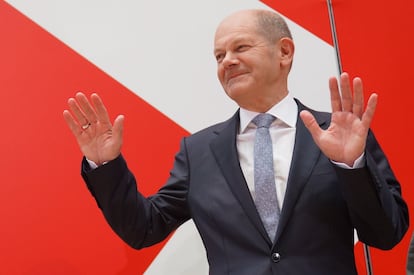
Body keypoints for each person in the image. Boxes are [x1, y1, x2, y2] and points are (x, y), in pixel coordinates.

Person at [63, 9, 408, 275]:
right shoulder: (198, 152)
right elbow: (144, 228)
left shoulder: (339, 133)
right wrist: (105, 165)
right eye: (218, 55)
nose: (227, 61)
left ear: (284, 52)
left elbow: (386, 235)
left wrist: (351, 166)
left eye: (240, 47)